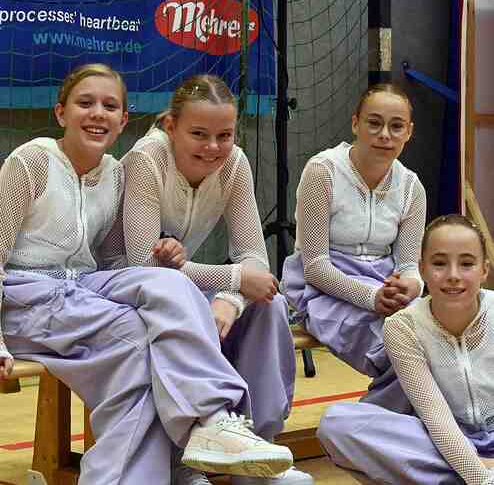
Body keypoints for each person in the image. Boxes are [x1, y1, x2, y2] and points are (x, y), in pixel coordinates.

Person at [0, 64, 294, 485]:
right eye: (85, 103)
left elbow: (118, 263)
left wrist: (193, 277)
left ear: (124, 119)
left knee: (176, 288)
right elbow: (134, 260)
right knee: (140, 337)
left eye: (109, 106)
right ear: (61, 112)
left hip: (82, 288)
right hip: (26, 294)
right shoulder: (32, 161)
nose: (97, 113)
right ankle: (188, 453)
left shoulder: (112, 174)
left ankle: (220, 431)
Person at [121, 74, 311, 485]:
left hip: (178, 284)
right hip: (125, 289)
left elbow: (255, 258)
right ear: (170, 126)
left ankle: (257, 452)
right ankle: (180, 464)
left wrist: (232, 297)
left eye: (224, 135)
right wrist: (236, 277)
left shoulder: (234, 163)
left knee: (270, 303)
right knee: (177, 309)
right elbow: (142, 266)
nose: (212, 147)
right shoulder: (146, 159)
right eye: (198, 134)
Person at [281, 83, 426, 412]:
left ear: (408, 132)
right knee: (402, 350)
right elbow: (315, 267)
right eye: (374, 123)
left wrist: (410, 287)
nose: (385, 135)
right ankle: (376, 426)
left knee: (434, 343)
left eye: (396, 126)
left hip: (384, 288)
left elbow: (408, 266)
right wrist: (373, 298)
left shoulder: (411, 187)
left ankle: (377, 425)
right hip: (324, 289)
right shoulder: (323, 172)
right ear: (355, 123)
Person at [318, 214, 494, 485]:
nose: (453, 275)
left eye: (467, 264)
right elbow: (436, 418)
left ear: (484, 270)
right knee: (337, 423)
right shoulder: (402, 326)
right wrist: (480, 477)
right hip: (442, 439)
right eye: (439, 263)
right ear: (422, 270)